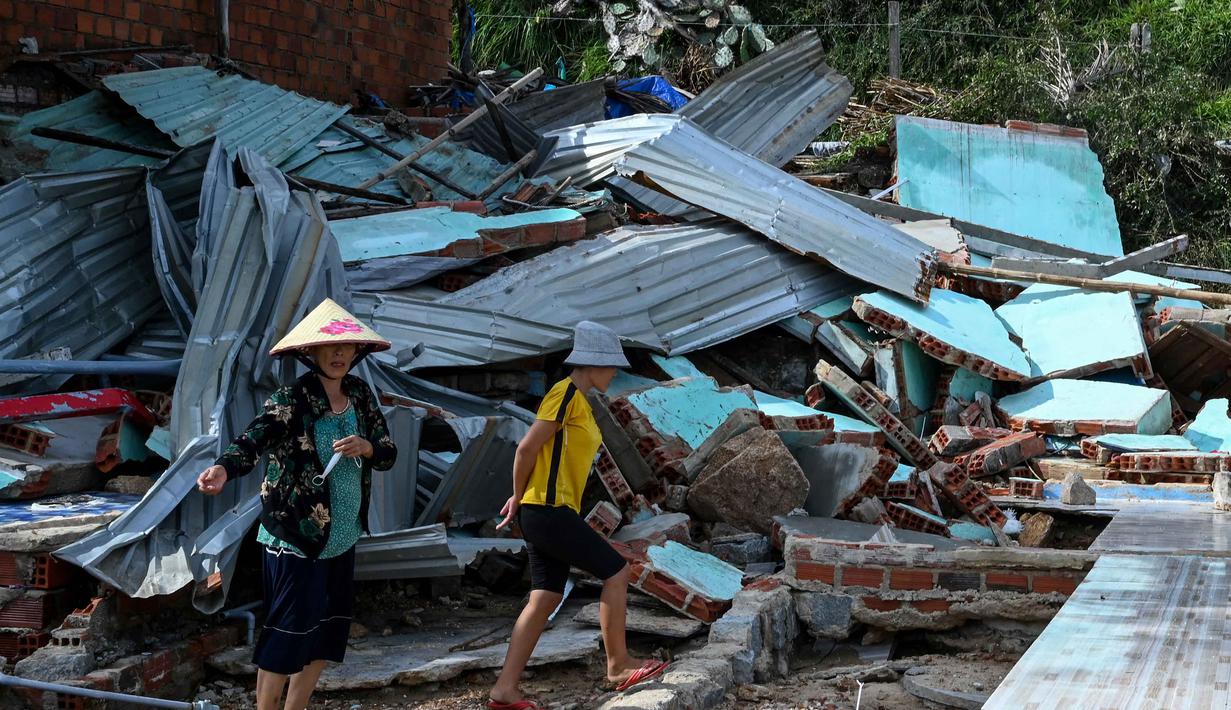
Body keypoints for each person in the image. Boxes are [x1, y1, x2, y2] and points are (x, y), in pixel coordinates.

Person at [196, 298, 398, 710]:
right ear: (312, 353)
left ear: (357, 352)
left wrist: (368, 448)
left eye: (346, 347)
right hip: (296, 536)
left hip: (341, 536)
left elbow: (389, 452)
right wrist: (222, 469)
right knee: (287, 633)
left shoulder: (360, 395)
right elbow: (253, 439)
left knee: (325, 631)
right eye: (330, 348)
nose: (339, 354)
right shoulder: (292, 398)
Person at [488, 321, 669, 710]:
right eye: (611, 365)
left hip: (548, 511)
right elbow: (526, 448)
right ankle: (619, 665)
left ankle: (504, 690)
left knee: (545, 597)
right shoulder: (565, 394)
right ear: (591, 364)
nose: (615, 372)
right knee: (616, 571)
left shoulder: (580, 402)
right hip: (547, 511)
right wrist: (519, 498)